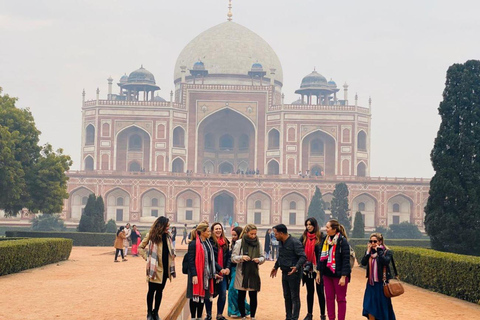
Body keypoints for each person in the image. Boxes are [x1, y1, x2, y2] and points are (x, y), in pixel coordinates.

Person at [138, 216, 176, 320]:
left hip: (165, 269)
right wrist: (148, 259)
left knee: (160, 291)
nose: (168, 227)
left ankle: (156, 312)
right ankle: (149, 312)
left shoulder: (168, 236)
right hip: (154, 269)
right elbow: (140, 247)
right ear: (161, 225)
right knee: (151, 291)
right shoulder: (152, 235)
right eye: (167, 225)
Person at [186, 222, 222, 320]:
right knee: (194, 297)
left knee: (202, 297)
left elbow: (211, 261)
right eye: (208, 231)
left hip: (205, 275)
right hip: (195, 274)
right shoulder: (193, 244)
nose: (210, 233)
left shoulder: (207, 243)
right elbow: (190, 260)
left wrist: (214, 273)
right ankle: (193, 317)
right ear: (202, 232)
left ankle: (199, 317)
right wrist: (194, 274)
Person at [270, 224, 306, 320]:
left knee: (294, 297)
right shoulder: (281, 242)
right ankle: (288, 317)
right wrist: (276, 266)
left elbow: (303, 256)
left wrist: (297, 267)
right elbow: (281, 256)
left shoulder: (295, 242)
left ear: (281, 233)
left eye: (276, 234)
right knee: (286, 296)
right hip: (284, 272)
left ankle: (294, 318)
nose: (275, 236)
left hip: (294, 273)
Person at [319, 219, 351, 320]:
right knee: (329, 298)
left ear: (334, 229)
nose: (326, 229)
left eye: (328, 227)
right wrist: (318, 273)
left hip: (339, 275)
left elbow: (346, 260)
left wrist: (343, 276)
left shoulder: (342, 241)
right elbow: (321, 258)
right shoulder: (325, 240)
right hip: (327, 274)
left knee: (341, 299)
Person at [231, 224, 264, 320]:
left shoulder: (259, 243)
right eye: (251, 234)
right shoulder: (239, 243)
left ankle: (253, 316)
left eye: (255, 234)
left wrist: (259, 259)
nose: (253, 236)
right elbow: (233, 258)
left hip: (253, 272)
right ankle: (243, 316)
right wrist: (241, 257)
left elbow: (263, 256)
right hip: (242, 272)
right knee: (241, 295)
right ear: (246, 233)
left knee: (253, 295)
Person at [361, 233, 396, 320]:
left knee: (382, 308)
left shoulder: (386, 252)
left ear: (380, 242)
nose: (372, 243)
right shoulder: (370, 253)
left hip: (381, 285)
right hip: (371, 284)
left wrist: (379, 251)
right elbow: (363, 263)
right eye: (371, 241)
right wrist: (368, 252)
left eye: (375, 241)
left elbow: (386, 262)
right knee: (368, 306)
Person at [300, 218, 326, 320]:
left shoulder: (321, 237)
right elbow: (299, 250)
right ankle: (309, 314)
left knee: (320, 292)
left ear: (315, 225)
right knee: (309, 292)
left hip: (318, 268)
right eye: (307, 224)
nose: (308, 226)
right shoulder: (304, 237)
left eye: (310, 224)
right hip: (307, 267)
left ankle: (322, 314)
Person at [205, 222, 231, 320]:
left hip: (223, 273)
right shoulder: (209, 242)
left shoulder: (226, 242)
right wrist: (220, 269)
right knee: (209, 294)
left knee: (223, 293)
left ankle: (219, 314)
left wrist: (227, 268)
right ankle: (209, 314)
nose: (218, 230)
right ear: (212, 230)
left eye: (220, 228)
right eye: (216, 229)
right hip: (212, 272)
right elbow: (210, 259)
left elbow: (229, 257)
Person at [227, 226, 251, 318]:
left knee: (236, 290)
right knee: (233, 291)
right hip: (233, 270)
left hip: (239, 269)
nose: (233, 237)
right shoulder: (233, 244)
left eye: (235, 235)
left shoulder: (242, 244)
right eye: (232, 235)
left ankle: (245, 309)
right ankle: (235, 310)